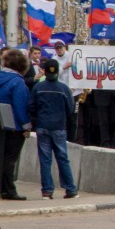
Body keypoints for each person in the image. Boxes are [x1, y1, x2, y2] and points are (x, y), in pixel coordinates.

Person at [28, 58, 78, 199]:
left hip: (43, 126)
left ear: (44, 71)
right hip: (59, 127)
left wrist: (40, 116)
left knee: (45, 160)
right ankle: (70, 189)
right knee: (62, 158)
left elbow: (31, 106)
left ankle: (47, 191)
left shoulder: (38, 87)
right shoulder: (63, 88)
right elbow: (70, 109)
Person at [0, 49, 31, 200]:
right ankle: (10, 190)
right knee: (10, 159)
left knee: (1, 157)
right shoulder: (18, 82)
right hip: (15, 126)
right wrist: (27, 126)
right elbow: (20, 106)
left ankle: (0, 187)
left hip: (0, 122)